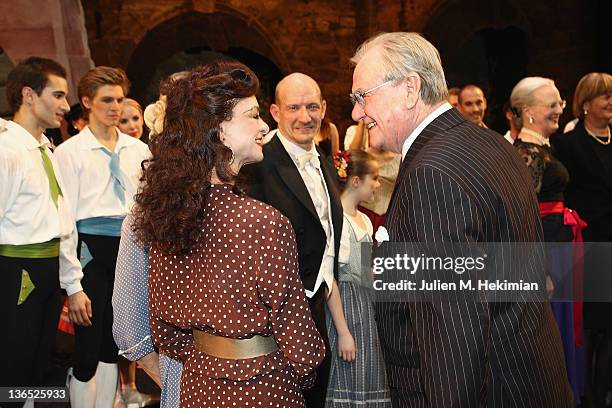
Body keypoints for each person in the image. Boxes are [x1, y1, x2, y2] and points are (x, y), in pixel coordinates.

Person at [350, 32, 573, 407]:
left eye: (362, 96)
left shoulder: (432, 172)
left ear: (409, 89)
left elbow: (452, 337)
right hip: (530, 378)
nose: (357, 113)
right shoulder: (489, 143)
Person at [133, 61, 325, 407]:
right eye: (252, 115)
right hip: (262, 387)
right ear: (219, 130)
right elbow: (298, 337)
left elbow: (164, 327)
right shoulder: (264, 222)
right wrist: (299, 373)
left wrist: (208, 357)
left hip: (197, 384)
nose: (264, 125)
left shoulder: (168, 212)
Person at [243, 72, 343, 407]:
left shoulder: (324, 159)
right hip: (277, 315)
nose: (305, 117)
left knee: (316, 396)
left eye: (313, 106)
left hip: (319, 303)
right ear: (274, 112)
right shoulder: (258, 163)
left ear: (324, 108)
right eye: (294, 107)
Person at [54, 66, 150, 407]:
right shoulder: (68, 153)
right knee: (88, 347)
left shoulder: (137, 150)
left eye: (120, 99)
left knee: (116, 343)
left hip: (130, 250)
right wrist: (73, 285)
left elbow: (145, 209)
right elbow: (64, 220)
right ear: (86, 102)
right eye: (107, 100)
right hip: (89, 251)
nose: (115, 107)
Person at [0, 57, 80, 399]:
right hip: (17, 270)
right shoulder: (6, 148)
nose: (65, 105)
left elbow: (61, 224)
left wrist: (72, 283)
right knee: (12, 373)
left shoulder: (45, 148)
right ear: (29, 95)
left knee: (36, 373)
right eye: (58, 95)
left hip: (47, 272)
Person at [113, 74, 188, 408]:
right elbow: (130, 323)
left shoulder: (251, 210)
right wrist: (173, 382)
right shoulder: (151, 214)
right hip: (185, 370)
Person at [511, 76, 586, 404]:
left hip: (559, 252)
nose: (560, 109)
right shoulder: (525, 153)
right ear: (528, 111)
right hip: (545, 258)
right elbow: (522, 217)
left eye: (560, 103)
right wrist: (539, 269)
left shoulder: (540, 147)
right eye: (552, 104)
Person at [552, 72, 612, 408]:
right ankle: (585, 395)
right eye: (604, 96)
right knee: (589, 328)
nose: (610, 102)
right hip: (588, 247)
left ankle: (601, 394)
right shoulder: (567, 145)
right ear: (586, 103)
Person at [325, 150, 391, 407]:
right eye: (373, 178)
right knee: (346, 377)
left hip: (364, 310)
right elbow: (330, 279)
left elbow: (364, 272)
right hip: (345, 309)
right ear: (355, 181)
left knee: (368, 373)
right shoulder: (336, 219)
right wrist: (343, 331)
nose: (377, 184)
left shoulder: (364, 219)